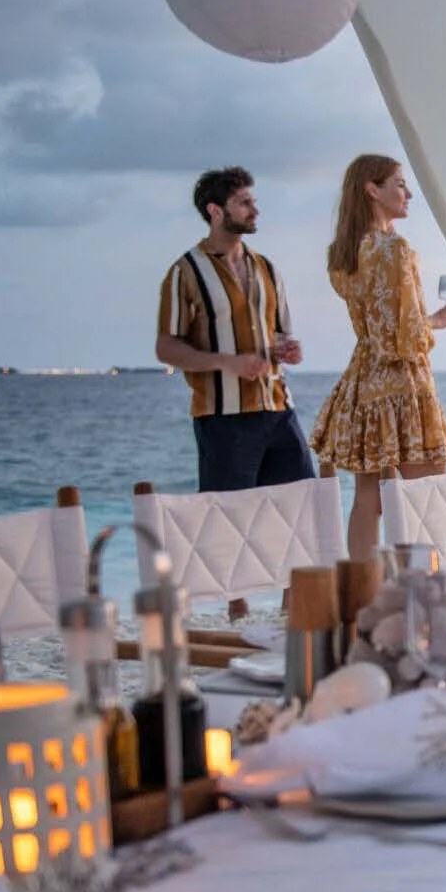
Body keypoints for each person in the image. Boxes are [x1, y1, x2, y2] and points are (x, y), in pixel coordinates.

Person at [156, 166, 314, 618]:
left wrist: (288, 349)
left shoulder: (267, 268)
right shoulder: (184, 272)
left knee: (299, 509)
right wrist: (227, 363)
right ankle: (235, 613)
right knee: (227, 519)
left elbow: (280, 334)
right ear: (215, 210)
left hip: (278, 407)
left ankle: (292, 608)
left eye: (252, 200)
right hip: (221, 416)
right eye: (244, 202)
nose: (254, 208)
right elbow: (166, 345)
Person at [309, 154, 446, 561]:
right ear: (372, 190)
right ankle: (426, 593)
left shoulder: (344, 254)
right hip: (403, 384)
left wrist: (420, 323)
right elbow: (407, 338)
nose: (407, 193)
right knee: (427, 496)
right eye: (398, 184)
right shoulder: (395, 249)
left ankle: (364, 592)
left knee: (368, 501)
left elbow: (380, 326)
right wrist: (437, 324)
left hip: (364, 383)